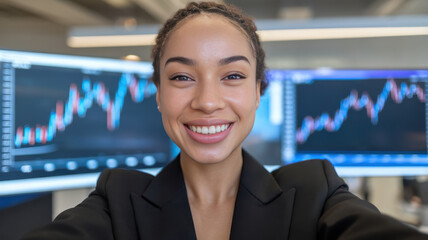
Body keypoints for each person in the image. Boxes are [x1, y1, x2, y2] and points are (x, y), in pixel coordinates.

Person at [21, 2, 428, 240]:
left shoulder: (315, 192)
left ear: (257, 92)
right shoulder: (117, 200)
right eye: (182, 77)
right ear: (159, 95)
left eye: (232, 76)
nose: (208, 101)